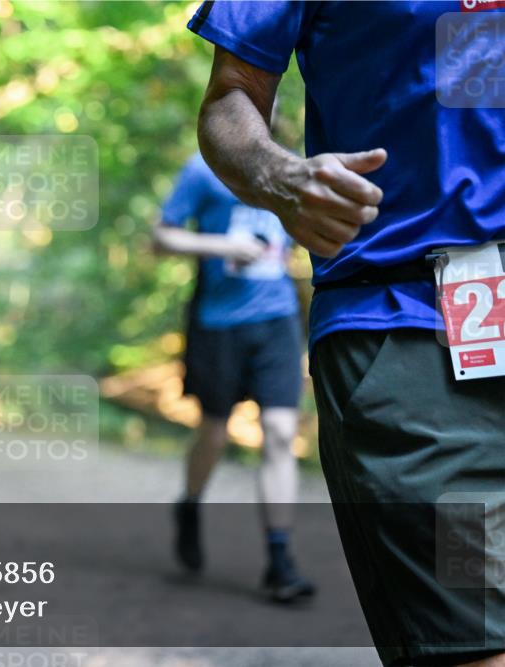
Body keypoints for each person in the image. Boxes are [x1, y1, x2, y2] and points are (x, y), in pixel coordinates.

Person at [187, 2, 503, 665]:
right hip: (413, 331)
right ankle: (240, 531)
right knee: (477, 644)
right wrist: (279, 177)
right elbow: (230, 100)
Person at [153, 152, 314, 604]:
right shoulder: (203, 170)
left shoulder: (291, 166)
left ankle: (280, 561)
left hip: (278, 320)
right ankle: (189, 504)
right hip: (218, 324)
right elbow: (160, 237)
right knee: (215, 432)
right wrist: (221, 246)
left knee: (281, 433)